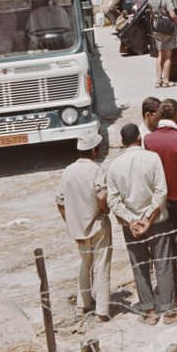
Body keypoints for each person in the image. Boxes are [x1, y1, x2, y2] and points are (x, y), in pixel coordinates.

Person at [106, 124, 177, 324]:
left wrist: (132, 220)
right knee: (163, 263)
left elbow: (113, 201)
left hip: (132, 226)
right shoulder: (152, 158)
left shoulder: (114, 166)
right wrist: (147, 218)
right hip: (157, 220)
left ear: (122, 142)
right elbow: (161, 192)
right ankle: (169, 311)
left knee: (139, 265)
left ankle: (149, 311)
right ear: (139, 138)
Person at [56, 128, 112, 322]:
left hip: (78, 227)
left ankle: (83, 303)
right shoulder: (97, 170)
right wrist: (104, 210)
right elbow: (101, 195)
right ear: (94, 151)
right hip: (97, 224)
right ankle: (102, 310)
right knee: (102, 265)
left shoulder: (68, 171)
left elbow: (60, 201)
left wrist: (70, 221)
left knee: (84, 263)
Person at [145, 99, 177, 308]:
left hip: (163, 204)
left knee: (168, 251)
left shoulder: (149, 140)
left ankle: (172, 295)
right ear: (176, 116)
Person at [148, 0, 177, 88]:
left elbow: (151, 15)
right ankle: (166, 81)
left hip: (157, 28)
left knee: (160, 55)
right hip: (167, 29)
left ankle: (158, 80)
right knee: (168, 56)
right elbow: (173, 15)